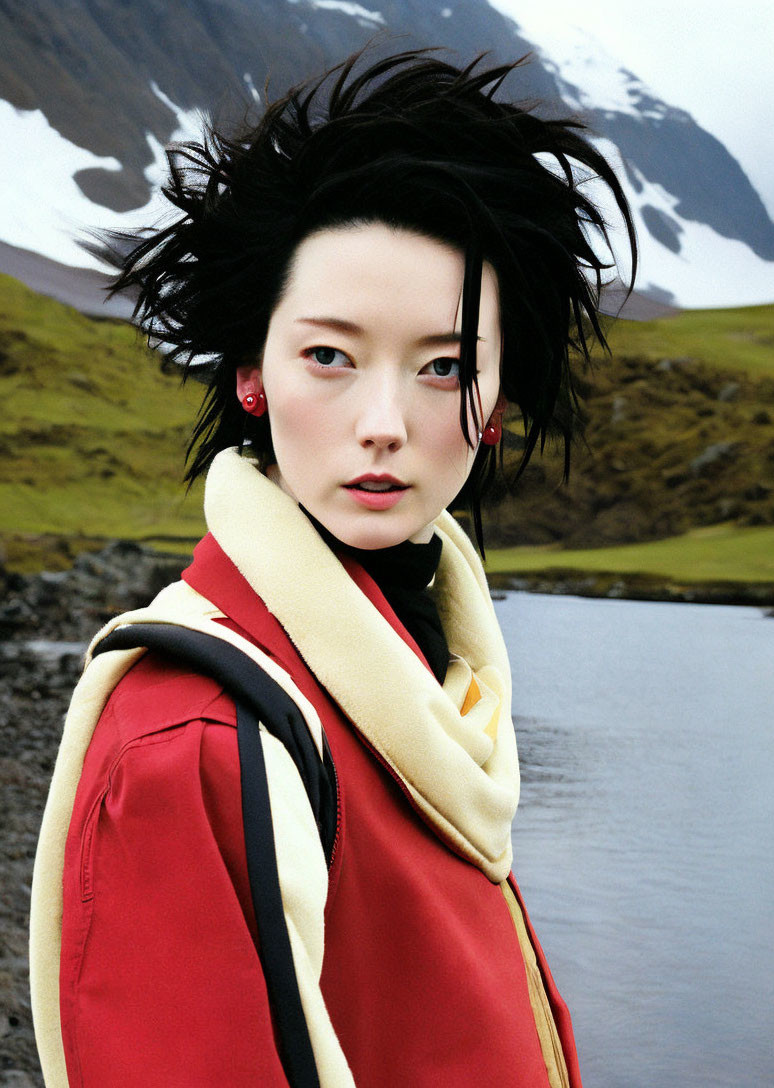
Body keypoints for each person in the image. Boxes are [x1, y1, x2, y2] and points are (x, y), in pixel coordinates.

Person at [30, 50, 636, 1087]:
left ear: (494, 406)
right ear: (251, 374)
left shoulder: (430, 683)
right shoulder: (197, 744)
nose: (385, 425)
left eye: (444, 365)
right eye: (329, 355)